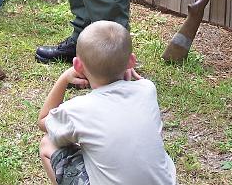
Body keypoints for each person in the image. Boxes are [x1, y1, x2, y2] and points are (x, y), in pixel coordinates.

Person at [38, 21, 176, 185]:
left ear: (77, 65)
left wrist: (63, 78)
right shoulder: (147, 89)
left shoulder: (77, 110)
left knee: (48, 143)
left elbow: (43, 120)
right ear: (131, 62)